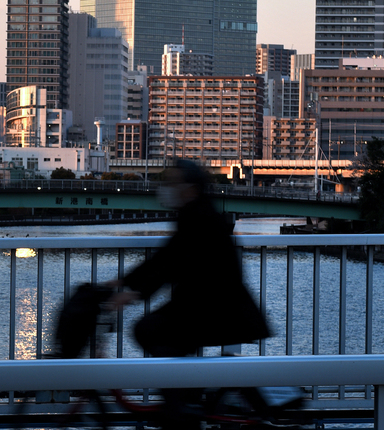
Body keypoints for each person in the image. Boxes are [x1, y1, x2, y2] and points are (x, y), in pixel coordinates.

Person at [107, 159, 270, 428]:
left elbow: (173, 262)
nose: (167, 188)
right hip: (206, 305)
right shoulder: (194, 212)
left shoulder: (199, 217)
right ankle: (187, 399)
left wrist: (133, 292)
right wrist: (124, 281)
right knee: (164, 337)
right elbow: (166, 257)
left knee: (147, 330)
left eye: (173, 183)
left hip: (212, 307)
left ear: (191, 189)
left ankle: (179, 408)